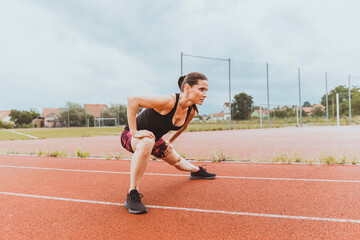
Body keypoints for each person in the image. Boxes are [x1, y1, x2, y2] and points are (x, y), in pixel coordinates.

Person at [121, 72, 216, 214]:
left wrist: (170, 141)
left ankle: (196, 171)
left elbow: (183, 126)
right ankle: (132, 194)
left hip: (153, 140)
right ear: (188, 89)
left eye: (206, 90)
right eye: (201, 89)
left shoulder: (190, 111)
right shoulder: (169, 101)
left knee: (177, 160)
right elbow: (132, 100)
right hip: (131, 137)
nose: (205, 94)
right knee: (147, 142)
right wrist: (134, 132)